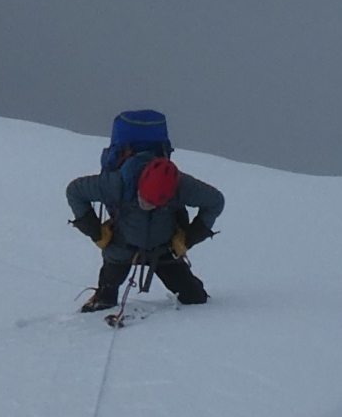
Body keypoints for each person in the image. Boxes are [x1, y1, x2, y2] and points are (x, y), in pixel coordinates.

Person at [66, 109, 224, 313]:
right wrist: (97, 233)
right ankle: (102, 296)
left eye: (156, 204)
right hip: (121, 246)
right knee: (104, 302)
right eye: (145, 200)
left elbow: (215, 202)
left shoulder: (180, 185)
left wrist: (187, 239)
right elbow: (74, 191)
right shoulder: (117, 184)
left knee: (195, 299)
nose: (148, 206)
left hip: (165, 248)